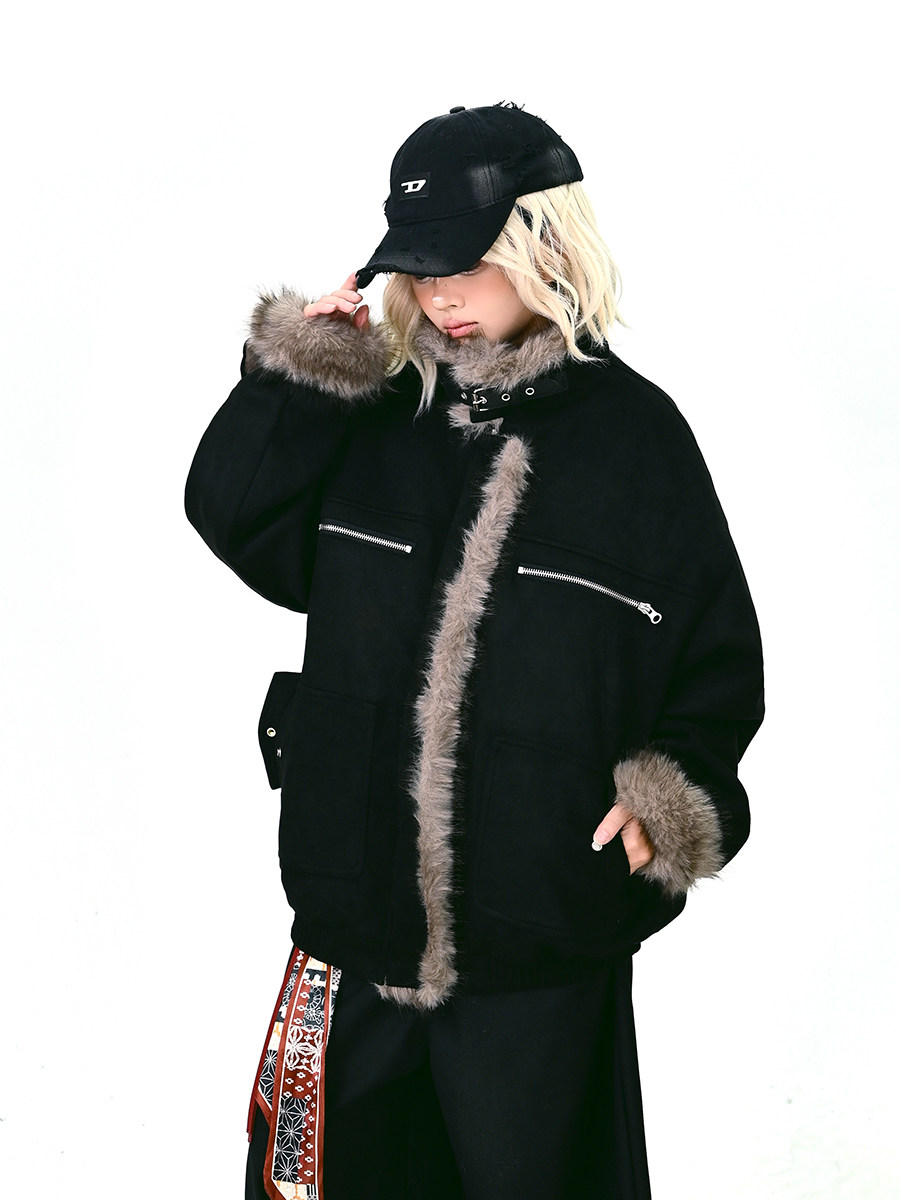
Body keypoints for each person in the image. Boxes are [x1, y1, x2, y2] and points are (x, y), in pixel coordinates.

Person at [185, 102, 764, 1200]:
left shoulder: (637, 439)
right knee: (315, 1184)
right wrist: (302, 379)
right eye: (421, 266)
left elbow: (715, 655)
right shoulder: (379, 411)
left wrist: (673, 791)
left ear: (545, 246)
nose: (441, 293)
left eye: (467, 262)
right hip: (352, 915)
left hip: (540, 925)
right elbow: (236, 519)